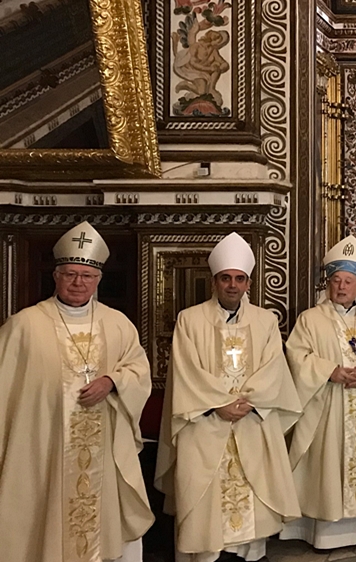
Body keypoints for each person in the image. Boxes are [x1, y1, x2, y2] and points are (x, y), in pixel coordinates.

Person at [0, 222, 153, 562]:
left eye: (86, 275)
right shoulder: (24, 325)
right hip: (44, 447)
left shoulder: (117, 324)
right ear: (56, 276)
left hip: (103, 444)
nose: (78, 282)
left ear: (98, 280)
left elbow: (138, 369)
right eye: (70, 274)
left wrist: (112, 381)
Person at [154, 232, 301, 562]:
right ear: (214, 281)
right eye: (225, 278)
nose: (232, 285)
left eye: (239, 279)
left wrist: (248, 400)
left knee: (252, 488)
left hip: (251, 418)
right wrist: (219, 404)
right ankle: (206, 553)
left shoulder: (265, 321)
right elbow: (185, 369)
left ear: (248, 283)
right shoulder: (190, 320)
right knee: (203, 492)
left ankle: (250, 551)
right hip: (205, 422)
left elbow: (273, 366)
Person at [282, 236, 356, 549]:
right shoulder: (310, 319)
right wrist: (330, 371)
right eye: (336, 280)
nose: (341, 287)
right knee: (327, 465)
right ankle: (324, 531)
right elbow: (297, 355)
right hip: (328, 406)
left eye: (348, 281)